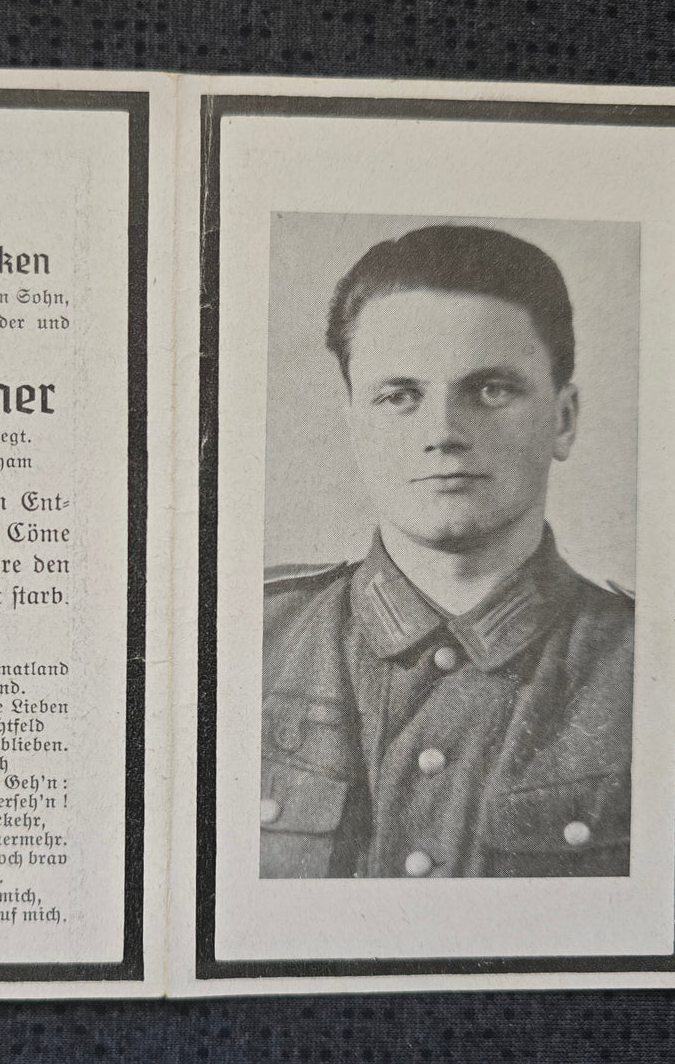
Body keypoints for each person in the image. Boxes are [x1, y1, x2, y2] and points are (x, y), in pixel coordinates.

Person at [260, 223, 634, 879]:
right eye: (399, 395)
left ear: (564, 420)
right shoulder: (246, 642)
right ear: (354, 424)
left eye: (489, 389)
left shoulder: (653, 665)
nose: (442, 433)